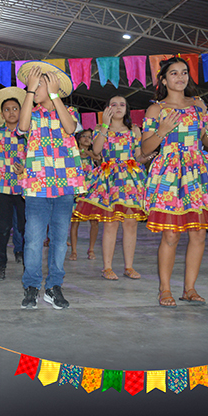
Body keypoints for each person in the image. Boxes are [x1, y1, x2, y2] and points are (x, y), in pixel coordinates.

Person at [140, 57, 208, 308]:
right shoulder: (156, 110)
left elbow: (206, 142)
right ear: (163, 80)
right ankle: (165, 289)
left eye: (184, 72)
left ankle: (190, 289)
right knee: (171, 234)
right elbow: (145, 148)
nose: (181, 77)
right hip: (170, 172)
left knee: (198, 233)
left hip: (197, 169)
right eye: (174, 73)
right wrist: (162, 131)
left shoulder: (198, 104)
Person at [17, 61, 86, 310]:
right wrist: (29, 91)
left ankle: (54, 286)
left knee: (59, 239)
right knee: (34, 239)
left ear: (53, 86)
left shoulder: (70, 111)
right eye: (32, 84)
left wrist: (55, 96)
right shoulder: (32, 112)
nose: (35, 88)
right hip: (37, 185)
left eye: (40, 84)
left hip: (65, 185)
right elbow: (22, 127)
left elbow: (70, 128)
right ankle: (31, 285)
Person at [74, 96, 155, 280]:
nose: (118, 107)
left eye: (122, 104)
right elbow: (96, 151)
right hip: (110, 178)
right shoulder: (100, 129)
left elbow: (138, 156)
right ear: (107, 109)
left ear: (127, 109)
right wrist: (104, 125)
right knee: (110, 223)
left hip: (130, 179)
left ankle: (129, 267)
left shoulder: (134, 130)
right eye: (113, 104)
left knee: (131, 223)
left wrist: (146, 157)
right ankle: (107, 267)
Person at [0, 87, 27, 281]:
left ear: (21, 111)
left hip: (24, 186)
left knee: (25, 227)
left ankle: (28, 264)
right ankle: (0, 266)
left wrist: (25, 168)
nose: (11, 112)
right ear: (1, 114)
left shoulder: (27, 132)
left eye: (15, 108)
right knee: (2, 227)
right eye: (7, 109)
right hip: (1, 186)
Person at [69, 129, 100, 262]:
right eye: (84, 136)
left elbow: (98, 159)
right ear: (78, 139)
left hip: (91, 192)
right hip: (77, 192)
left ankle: (91, 249)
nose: (87, 139)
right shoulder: (73, 153)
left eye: (90, 137)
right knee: (75, 222)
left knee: (94, 222)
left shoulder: (93, 155)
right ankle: (74, 251)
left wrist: (87, 152)